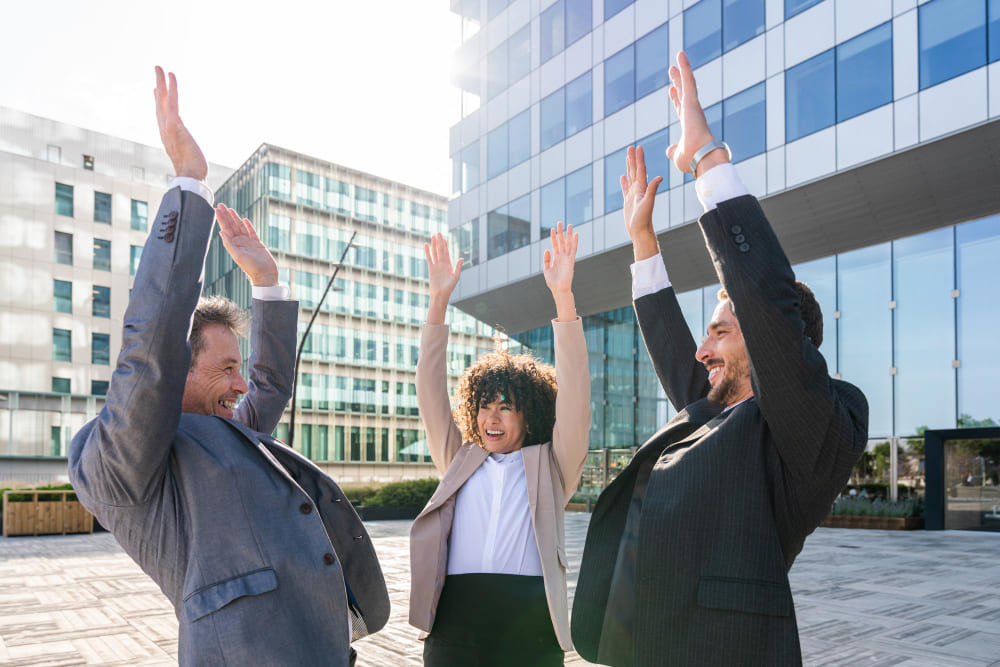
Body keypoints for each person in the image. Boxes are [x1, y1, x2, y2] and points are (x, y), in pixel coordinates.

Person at [67, 67, 388, 666]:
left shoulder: (230, 430)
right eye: (224, 367)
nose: (241, 384)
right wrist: (189, 183)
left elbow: (270, 384)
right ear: (178, 370)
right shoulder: (116, 458)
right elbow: (153, 346)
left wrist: (266, 284)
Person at [570, 51, 869, 666]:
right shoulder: (712, 408)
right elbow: (675, 345)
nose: (702, 350)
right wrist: (644, 243)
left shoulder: (819, 428)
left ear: (766, 340)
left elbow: (766, 306)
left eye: (722, 332)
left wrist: (707, 158)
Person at [408, 224, 591, 666]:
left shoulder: (552, 465)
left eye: (506, 407)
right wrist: (438, 302)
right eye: (485, 406)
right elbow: (430, 394)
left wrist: (564, 298)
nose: (491, 417)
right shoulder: (460, 460)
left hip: (528, 628)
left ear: (529, 414)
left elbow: (577, 399)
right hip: (455, 623)